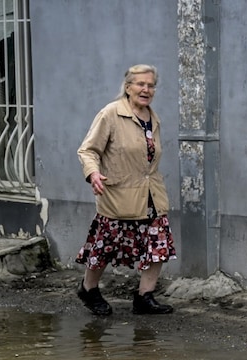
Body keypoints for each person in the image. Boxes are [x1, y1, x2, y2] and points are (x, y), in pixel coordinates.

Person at [75, 64, 177, 316]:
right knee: (104, 248)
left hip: (151, 194)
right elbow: (88, 150)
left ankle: (144, 296)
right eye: (140, 84)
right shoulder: (111, 113)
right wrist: (93, 173)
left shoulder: (152, 117)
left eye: (151, 85)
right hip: (118, 196)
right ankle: (88, 289)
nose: (146, 89)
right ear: (128, 86)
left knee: (158, 246)